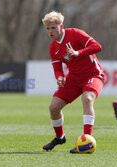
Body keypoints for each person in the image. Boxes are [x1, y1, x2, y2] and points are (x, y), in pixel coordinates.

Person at [41, 11, 104, 153]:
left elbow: (97, 47)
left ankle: (87, 140)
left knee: (87, 99)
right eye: (48, 28)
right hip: (74, 78)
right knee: (53, 107)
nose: (50, 31)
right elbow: (57, 68)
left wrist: (78, 53)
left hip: (93, 74)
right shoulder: (53, 47)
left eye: (53, 27)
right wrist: (60, 77)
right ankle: (60, 137)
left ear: (61, 26)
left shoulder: (75, 33)